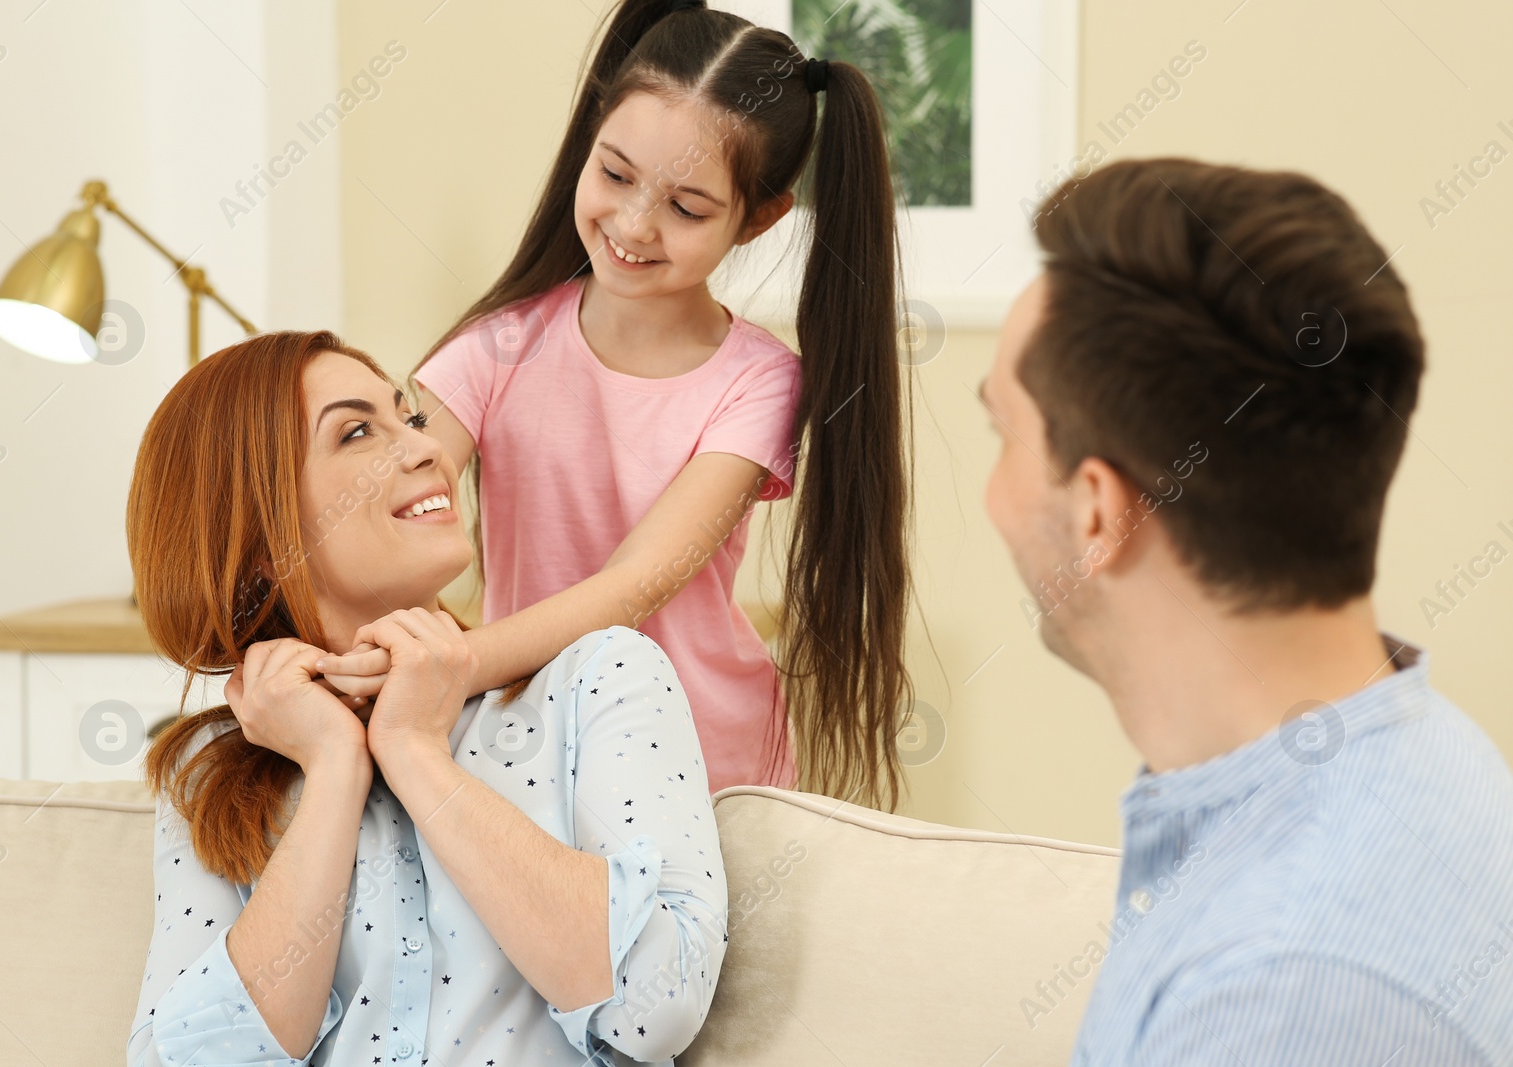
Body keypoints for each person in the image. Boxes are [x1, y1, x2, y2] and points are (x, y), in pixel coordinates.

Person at [979, 158, 1513, 1064]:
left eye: (1004, 437)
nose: (990, 493)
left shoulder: (1280, 989)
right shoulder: (1426, 750)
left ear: (1100, 513)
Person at [323, 0, 915, 805]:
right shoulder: (500, 346)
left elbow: (632, 584)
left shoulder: (760, 382)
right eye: (615, 173)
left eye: (686, 207)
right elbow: (389, 490)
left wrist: (454, 661)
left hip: (705, 766)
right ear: (590, 139)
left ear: (760, 217)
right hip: (524, 745)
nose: (633, 223)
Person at [124, 331, 726, 1066]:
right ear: (258, 540)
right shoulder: (209, 765)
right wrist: (336, 766)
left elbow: (655, 1007)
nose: (426, 448)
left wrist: (413, 752)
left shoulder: (600, 680)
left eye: (408, 419)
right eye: (355, 432)